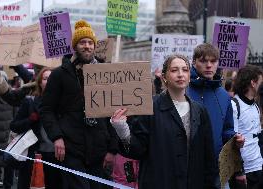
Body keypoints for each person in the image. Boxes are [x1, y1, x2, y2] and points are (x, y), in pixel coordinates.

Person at [111, 54, 217, 189]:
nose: (180, 74)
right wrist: (122, 129)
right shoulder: (151, 107)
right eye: (174, 70)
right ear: (164, 76)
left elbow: (208, 157)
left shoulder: (200, 111)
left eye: (185, 70)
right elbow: (138, 150)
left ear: (190, 76)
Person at [40, 20, 118, 189]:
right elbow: (47, 109)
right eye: (82, 42)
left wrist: (113, 149)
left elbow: (113, 112)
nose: (87, 46)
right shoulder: (59, 75)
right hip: (71, 149)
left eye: (90, 43)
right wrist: (57, 137)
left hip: (99, 150)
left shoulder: (105, 73)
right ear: (75, 46)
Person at [186, 43, 245, 187]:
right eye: (203, 61)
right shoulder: (183, 90)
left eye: (213, 61)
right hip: (186, 168)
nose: (208, 65)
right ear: (194, 62)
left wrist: (236, 139)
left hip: (215, 170)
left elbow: (227, 130)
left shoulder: (224, 96)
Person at [10, 67, 62, 189]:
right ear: (39, 82)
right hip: (35, 155)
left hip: (57, 157)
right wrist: (30, 120)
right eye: (45, 79)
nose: (49, 81)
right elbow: (14, 126)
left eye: (52, 78)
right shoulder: (30, 102)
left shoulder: (62, 103)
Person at [229, 65, 263, 189]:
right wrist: (239, 171)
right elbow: (231, 141)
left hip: (258, 167)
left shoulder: (255, 106)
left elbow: (258, 138)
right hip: (244, 173)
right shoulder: (234, 105)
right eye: (260, 81)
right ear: (253, 83)